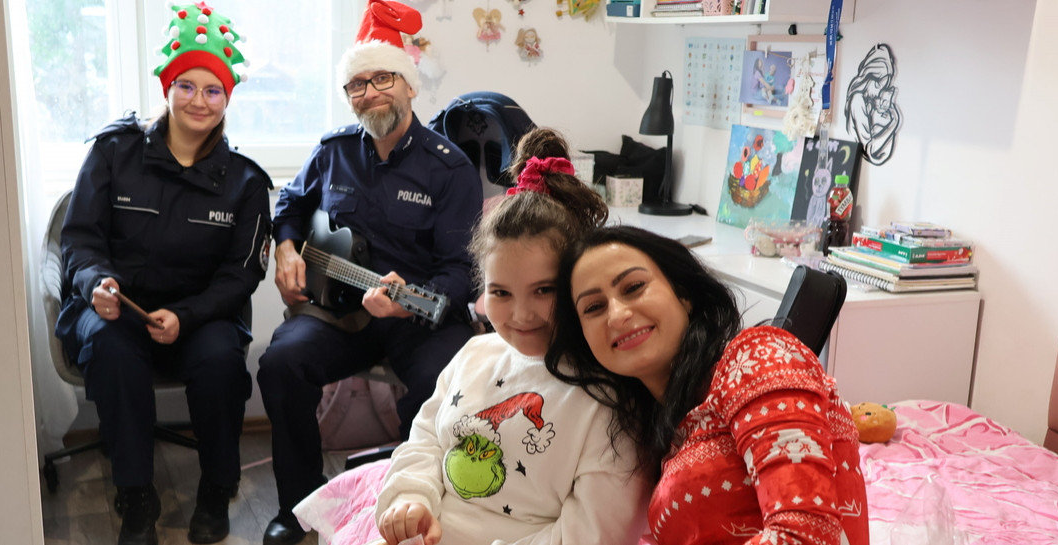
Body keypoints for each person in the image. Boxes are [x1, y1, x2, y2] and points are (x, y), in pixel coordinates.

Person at [257, 1, 483, 544]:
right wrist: (286, 248)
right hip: (339, 312)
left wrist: (414, 299)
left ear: (408, 86)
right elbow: (288, 204)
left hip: (420, 315)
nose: (369, 93)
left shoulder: (449, 167)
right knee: (280, 363)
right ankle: (300, 504)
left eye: (382, 78)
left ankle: (415, 507)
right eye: (356, 84)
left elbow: (464, 271)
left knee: (443, 383)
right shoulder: (333, 151)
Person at [54, 4, 270, 545]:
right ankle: (136, 498)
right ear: (168, 87)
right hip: (115, 310)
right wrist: (95, 284)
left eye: (213, 90)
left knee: (221, 360)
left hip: (200, 317)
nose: (199, 101)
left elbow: (241, 274)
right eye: (187, 86)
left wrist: (187, 315)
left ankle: (217, 489)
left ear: (227, 98)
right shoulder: (112, 153)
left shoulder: (246, 183)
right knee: (110, 348)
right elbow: (78, 240)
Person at [374, 130, 649, 545]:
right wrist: (411, 498)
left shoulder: (609, 401)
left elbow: (590, 534)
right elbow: (426, 439)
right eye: (500, 292)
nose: (521, 316)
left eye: (544, 290)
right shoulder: (473, 353)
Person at [545, 226, 870, 545]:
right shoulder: (661, 432)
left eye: (633, 287)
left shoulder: (758, 357)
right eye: (594, 308)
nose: (617, 315)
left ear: (683, 293)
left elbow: (806, 534)